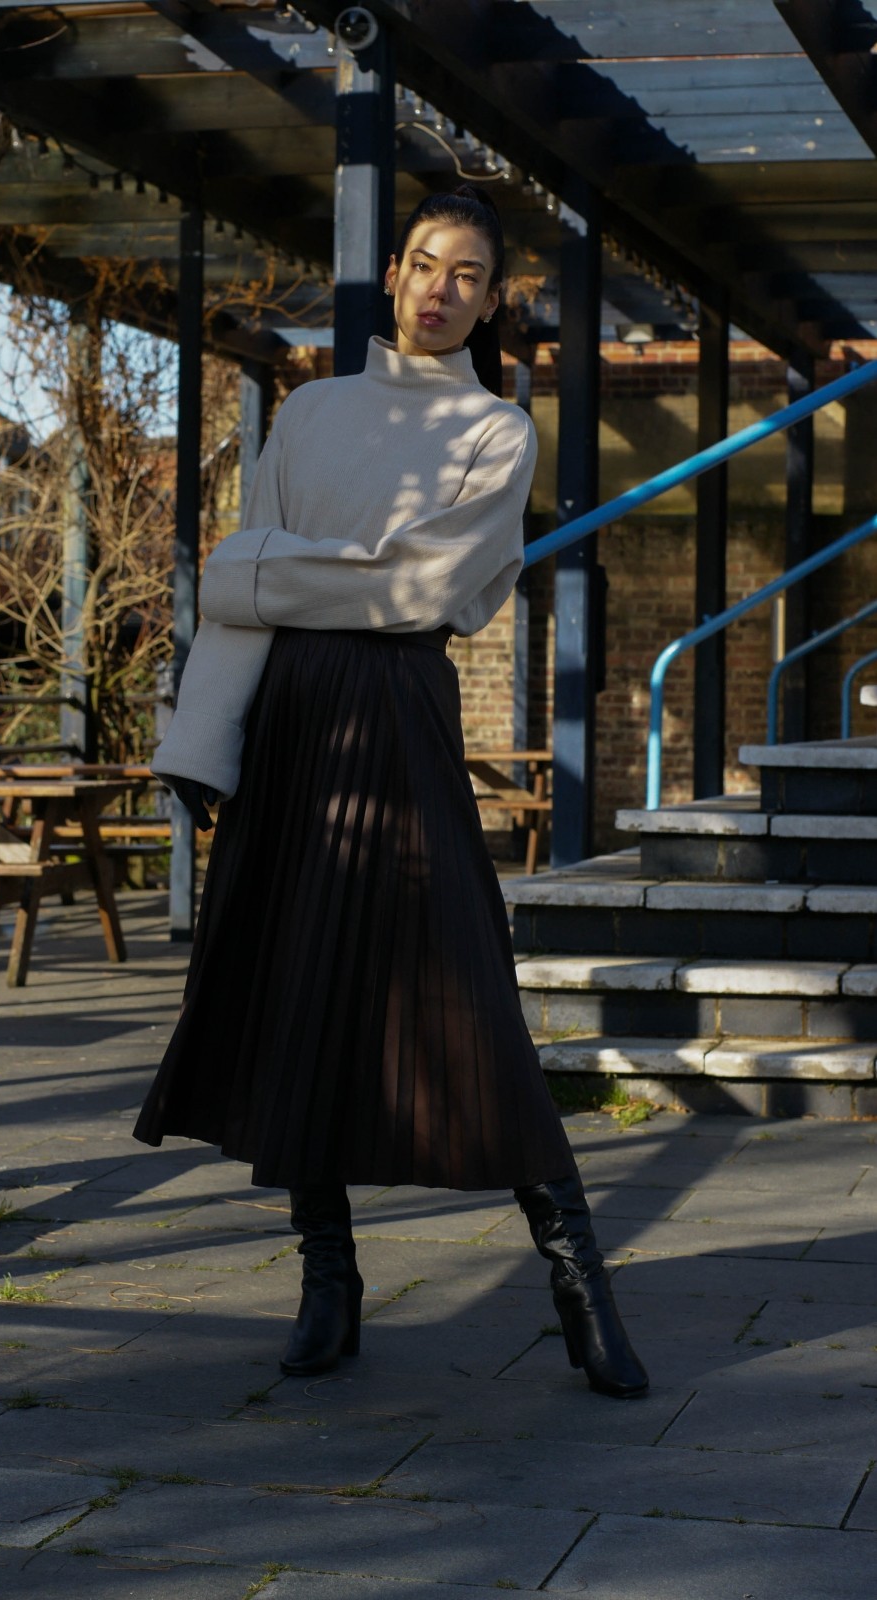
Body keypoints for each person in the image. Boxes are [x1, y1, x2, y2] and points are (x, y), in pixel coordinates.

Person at [135, 184, 648, 1401]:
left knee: (464, 987)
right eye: (423, 263)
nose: (436, 290)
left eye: (464, 274)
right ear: (395, 272)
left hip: (398, 718)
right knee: (288, 976)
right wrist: (206, 741)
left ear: (488, 297)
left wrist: (261, 567)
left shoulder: (494, 432)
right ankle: (328, 1280)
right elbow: (246, 607)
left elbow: (415, 592)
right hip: (288, 722)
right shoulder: (309, 411)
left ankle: (577, 1282)